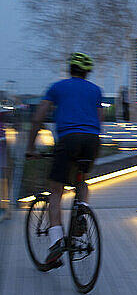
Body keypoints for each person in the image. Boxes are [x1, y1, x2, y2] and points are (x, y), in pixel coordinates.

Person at [26, 52, 102, 269]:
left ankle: (56, 243)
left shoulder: (57, 87)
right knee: (81, 180)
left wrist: (31, 147)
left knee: (56, 191)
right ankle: (82, 212)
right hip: (92, 140)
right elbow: (99, 120)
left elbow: (38, 117)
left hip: (69, 140)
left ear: (70, 69)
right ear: (86, 72)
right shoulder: (96, 90)